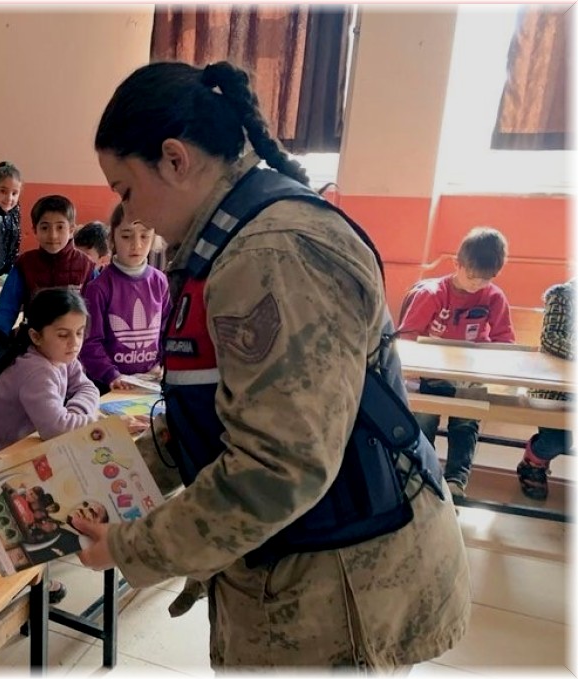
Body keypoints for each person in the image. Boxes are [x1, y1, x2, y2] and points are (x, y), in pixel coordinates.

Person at [71, 60, 469, 669]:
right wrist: (101, 472)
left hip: (339, 589)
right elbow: (229, 415)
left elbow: (280, 466)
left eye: (126, 191)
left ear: (174, 159)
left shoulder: (272, 252)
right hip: (298, 572)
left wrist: (131, 548)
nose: (133, 215)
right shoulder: (223, 240)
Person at [397, 226, 515, 500]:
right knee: (423, 420)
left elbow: (504, 341)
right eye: (472, 276)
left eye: (485, 280)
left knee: (465, 424)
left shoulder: (494, 298)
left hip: (469, 375)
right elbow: (407, 337)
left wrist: (493, 366)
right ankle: (420, 473)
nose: (477, 285)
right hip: (430, 374)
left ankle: (455, 480)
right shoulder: (433, 293)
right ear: (457, 265)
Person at [0, 288, 102, 471]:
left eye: (79, 332)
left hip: (19, 448)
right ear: (36, 337)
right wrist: (97, 423)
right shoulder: (36, 371)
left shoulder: (61, 355)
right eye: (63, 335)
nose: (74, 342)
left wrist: (74, 414)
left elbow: (88, 388)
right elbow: (55, 429)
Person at [80, 204, 169, 393]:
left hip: (149, 383)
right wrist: (112, 375)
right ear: (112, 238)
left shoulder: (160, 281)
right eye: (127, 236)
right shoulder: (98, 288)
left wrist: (162, 363)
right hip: (109, 386)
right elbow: (89, 342)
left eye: (144, 236)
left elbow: (168, 332)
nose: (136, 245)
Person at [0, 195, 95, 336]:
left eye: (60, 227)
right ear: (35, 230)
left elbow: (97, 313)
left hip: (74, 348)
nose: (52, 235)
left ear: (71, 230)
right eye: (45, 227)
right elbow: (7, 307)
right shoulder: (25, 264)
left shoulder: (87, 266)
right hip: (34, 344)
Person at [517, 279, 574, 500]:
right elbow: (550, 339)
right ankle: (533, 463)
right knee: (558, 440)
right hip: (554, 388)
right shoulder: (563, 295)